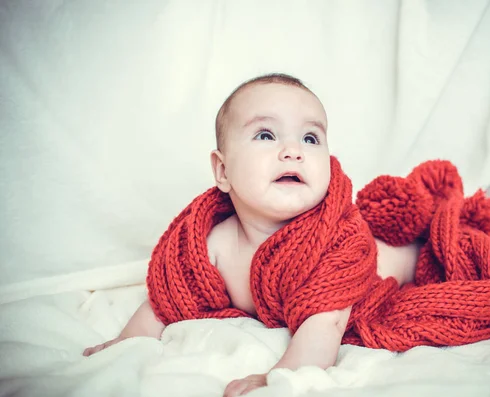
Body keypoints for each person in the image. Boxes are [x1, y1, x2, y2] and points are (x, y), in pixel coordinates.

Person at [83, 73, 421, 397]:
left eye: (310, 138)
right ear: (223, 170)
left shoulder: (339, 241)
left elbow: (327, 324)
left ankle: (423, 239)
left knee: (418, 254)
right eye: (265, 135)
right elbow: (167, 299)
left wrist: (280, 376)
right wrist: (127, 343)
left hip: (394, 260)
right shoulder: (214, 244)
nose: (293, 150)